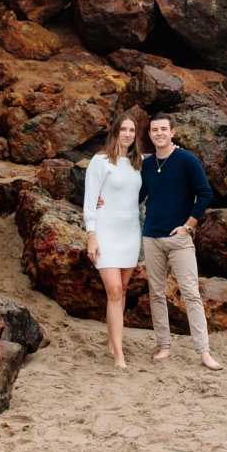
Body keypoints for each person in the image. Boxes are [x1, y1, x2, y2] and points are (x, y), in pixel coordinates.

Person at [140, 112, 223, 370]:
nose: (159, 133)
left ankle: (204, 352)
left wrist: (188, 226)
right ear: (150, 134)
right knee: (156, 293)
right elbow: (138, 195)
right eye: (155, 130)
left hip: (179, 238)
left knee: (190, 293)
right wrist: (105, 201)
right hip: (151, 236)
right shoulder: (147, 164)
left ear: (173, 131)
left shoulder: (187, 161)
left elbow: (205, 193)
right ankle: (164, 346)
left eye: (164, 129)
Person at [84, 113, 144, 369]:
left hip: (131, 232)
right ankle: (119, 354)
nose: (128, 134)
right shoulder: (100, 161)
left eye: (132, 130)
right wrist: (91, 234)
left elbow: (166, 162)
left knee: (123, 289)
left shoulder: (138, 162)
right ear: (115, 132)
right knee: (114, 291)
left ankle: (112, 342)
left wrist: (175, 147)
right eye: (124, 129)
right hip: (106, 231)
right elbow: (90, 199)